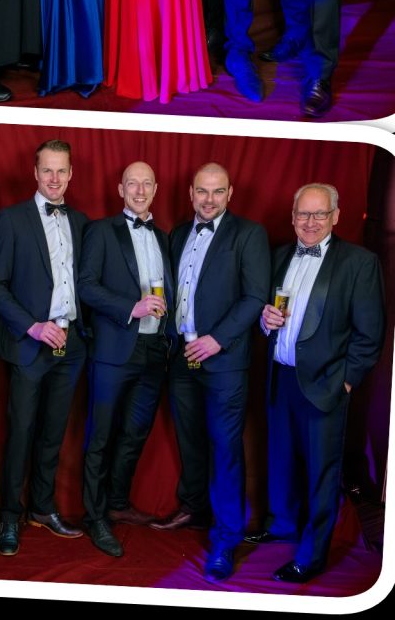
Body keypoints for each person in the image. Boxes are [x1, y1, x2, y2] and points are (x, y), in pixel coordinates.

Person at [262, 183, 385, 584]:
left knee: (321, 474)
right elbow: (272, 316)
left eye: (319, 214)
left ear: (336, 216)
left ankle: (312, 556)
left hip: (326, 386)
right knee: (281, 461)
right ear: (293, 216)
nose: (310, 222)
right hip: (281, 378)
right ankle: (283, 525)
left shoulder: (359, 263)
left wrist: (345, 383)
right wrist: (265, 321)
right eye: (303, 214)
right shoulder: (280, 255)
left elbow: (370, 335)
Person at [168, 162, 270, 578]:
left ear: (230, 194)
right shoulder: (178, 234)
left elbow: (255, 297)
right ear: (191, 193)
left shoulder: (249, 234)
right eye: (202, 191)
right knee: (190, 441)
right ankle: (196, 511)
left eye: (217, 191)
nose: (209, 199)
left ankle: (226, 539)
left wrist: (217, 339)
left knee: (225, 447)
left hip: (223, 361)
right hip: (182, 358)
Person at [0, 138, 89, 550]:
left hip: (71, 344)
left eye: (61, 170)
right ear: (35, 172)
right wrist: (32, 327)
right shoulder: (11, 219)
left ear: (71, 174)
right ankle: (9, 516)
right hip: (30, 344)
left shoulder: (81, 222)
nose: (54, 178)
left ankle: (43, 508)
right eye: (47, 169)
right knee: (21, 432)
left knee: (53, 432)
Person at [75, 159, 172, 554]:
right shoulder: (101, 231)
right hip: (114, 350)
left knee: (134, 434)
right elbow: (85, 286)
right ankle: (94, 516)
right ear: (120, 189)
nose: (140, 191)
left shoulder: (164, 237)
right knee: (100, 436)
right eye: (132, 183)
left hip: (154, 350)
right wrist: (131, 307)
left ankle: (116, 503)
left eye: (147, 183)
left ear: (156, 189)